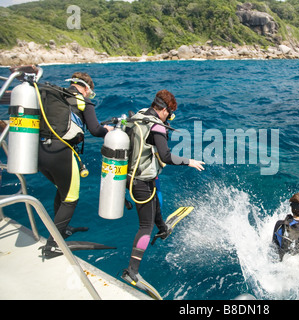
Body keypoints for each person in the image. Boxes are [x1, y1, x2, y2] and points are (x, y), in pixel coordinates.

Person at [121, 89, 205, 288]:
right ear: (165, 110)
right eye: (171, 113)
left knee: (154, 203)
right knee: (145, 227)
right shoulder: (157, 126)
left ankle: (163, 228)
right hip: (141, 180)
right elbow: (166, 156)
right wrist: (189, 161)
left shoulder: (140, 115)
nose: (170, 117)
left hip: (130, 175)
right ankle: (131, 271)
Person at [38, 72, 113, 257]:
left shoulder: (56, 95)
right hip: (61, 153)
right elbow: (95, 130)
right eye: (91, 93)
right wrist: (108, 131)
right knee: (71, 198)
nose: (89, 96)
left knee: (63, 190)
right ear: (86, 88)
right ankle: (53, 245)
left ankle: (62, 230)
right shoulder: (82, 101)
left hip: (39, 152)